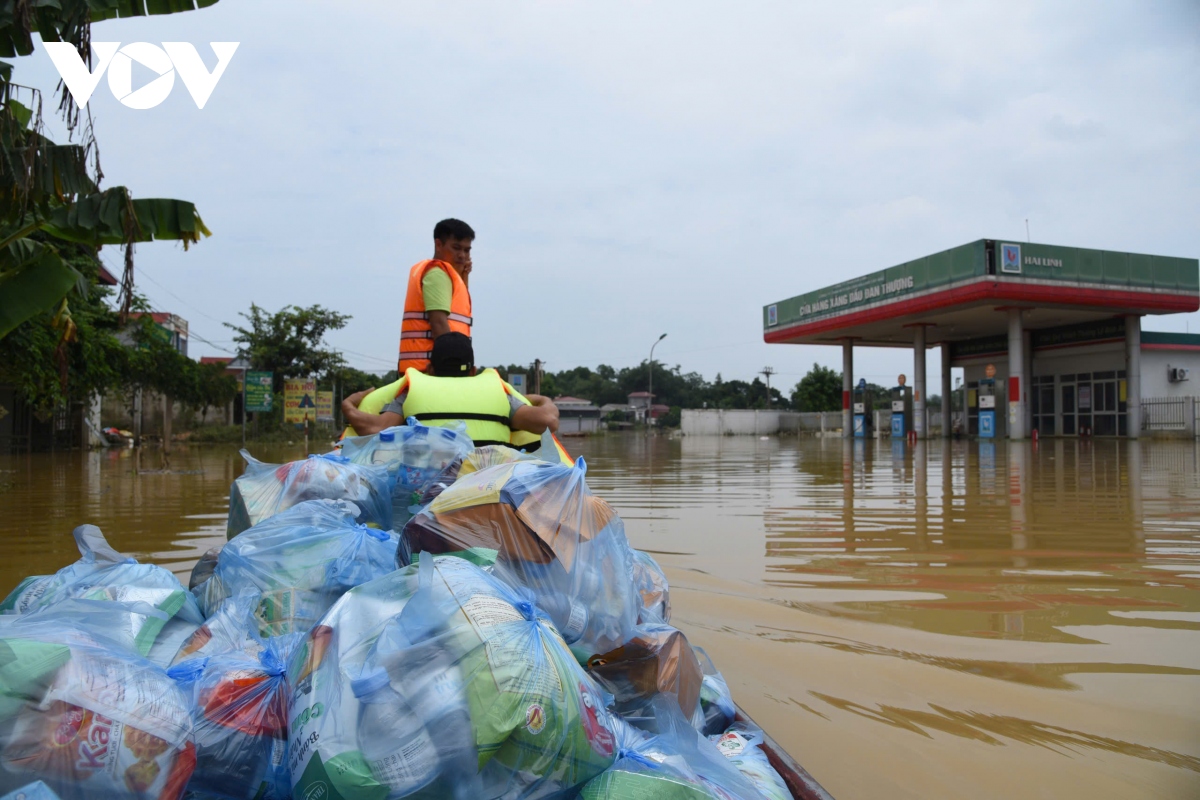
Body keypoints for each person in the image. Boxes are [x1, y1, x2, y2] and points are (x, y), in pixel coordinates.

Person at [344, 333, 560, 448]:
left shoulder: (413, 392)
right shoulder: (499, 395)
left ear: (429, 370)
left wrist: (348, 406)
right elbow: (549, 421)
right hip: (485, 494)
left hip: (429, 498)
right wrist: (540, 399)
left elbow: (374, 428)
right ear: (473, 371)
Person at [399, 218, 476, 374]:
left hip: (425, 372)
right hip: (434, 373)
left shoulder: (446, 275)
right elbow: (439, 324)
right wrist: (455, 369)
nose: (462, 255)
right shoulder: (438, 274)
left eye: (467, 250)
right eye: (456, 248)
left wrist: (463, 277)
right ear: (438, 245)